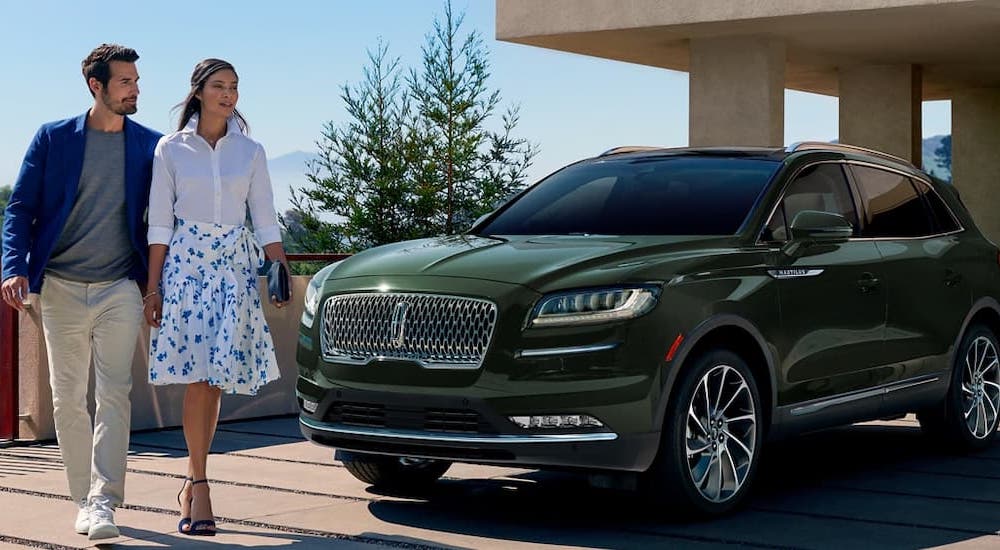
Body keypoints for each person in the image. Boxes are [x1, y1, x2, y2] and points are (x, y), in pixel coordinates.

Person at [0, 44, 161, 540]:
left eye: (136, 80)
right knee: (68, 398)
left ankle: (103, 500)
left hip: (119, 287)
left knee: (115, 392)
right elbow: (19, 209)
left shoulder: (150, 146)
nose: (136, 89)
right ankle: (83, 499)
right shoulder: (53, 139)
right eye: (125, 82)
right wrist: (13, 267)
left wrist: (157, 287)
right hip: (62, 288)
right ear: (97, 86)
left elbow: (164, 221)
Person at [143, 58, 290, 536]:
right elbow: (160, 224)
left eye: (234, 87)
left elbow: (264, 216)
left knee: (217, 376)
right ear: (199, 92)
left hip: (234, 267)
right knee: (197, 377)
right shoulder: (171, 149)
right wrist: (154, 285)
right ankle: (200, 483)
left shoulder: (250, 151)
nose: (228, 95)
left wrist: (280, 267)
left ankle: (193, 479)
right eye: (219, 86)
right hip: (185, 268)